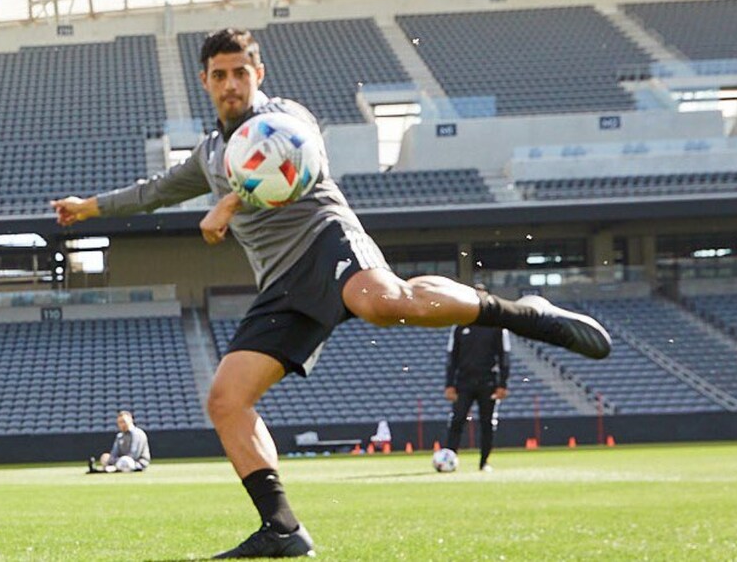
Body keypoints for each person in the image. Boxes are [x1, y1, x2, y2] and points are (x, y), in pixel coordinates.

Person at [51, 28, 611, 558]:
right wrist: (89, 207)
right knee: (226, 398)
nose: (230, 84)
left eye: (240, 72)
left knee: (383, 303)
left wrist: (229, 201)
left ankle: (521, 314)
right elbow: (154, 192)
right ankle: (281, 528)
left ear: (258, 73)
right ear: (205, 81)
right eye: (219, 75)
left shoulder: (284, 116)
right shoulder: (206, 155)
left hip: (326, 239)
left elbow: (298, 159)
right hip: (280, 283)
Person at [444, 286, 511, 471]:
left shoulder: (497, 326)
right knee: (457, 420)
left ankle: (484, 462)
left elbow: (504, 356)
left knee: (487, 423)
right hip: (463, 383)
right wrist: (449, 384)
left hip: (488, 383)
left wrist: (502, 384)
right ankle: (449, 457)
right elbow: (452, 357)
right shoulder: (459, 325)